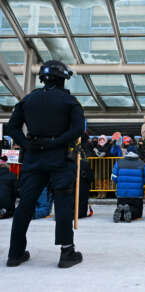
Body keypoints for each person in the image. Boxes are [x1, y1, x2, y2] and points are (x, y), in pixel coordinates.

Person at [6, 60, 85, 268]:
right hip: (60, 158)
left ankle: (15, 253)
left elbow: (12, 128)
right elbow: (77, 130)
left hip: (33, 157)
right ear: (63, 79)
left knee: (25, 205)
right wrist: (55, 142)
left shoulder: (28, 100)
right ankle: (66, 252)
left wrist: (27, 145)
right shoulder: (70, 102)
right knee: (63, 204)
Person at [111, 151, 145, 223]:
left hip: (122, 193)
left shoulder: (119, 163)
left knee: (122, 207)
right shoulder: (142, 163)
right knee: (138, 213)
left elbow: (114, 177)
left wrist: (118, 184)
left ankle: (121, 211)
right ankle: (130, 212)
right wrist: (141, 184)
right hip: (136, 194)